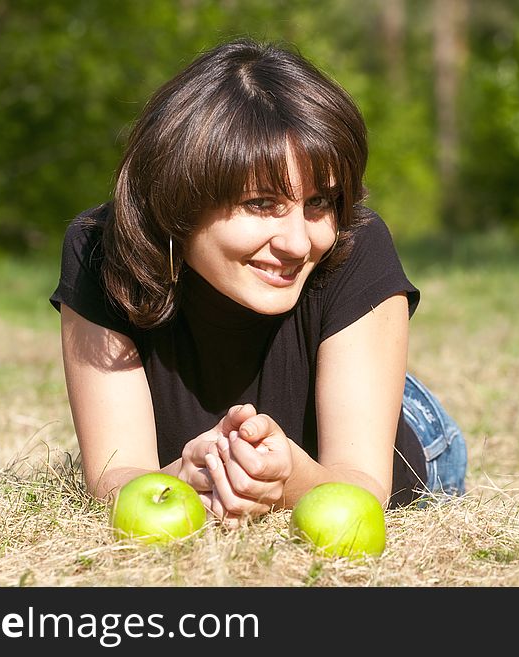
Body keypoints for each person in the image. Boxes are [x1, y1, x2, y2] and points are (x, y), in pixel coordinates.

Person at [50, 37, 466, 527]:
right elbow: (114, 474)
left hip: (399, 426)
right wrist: (186, 476)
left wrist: (288, 477)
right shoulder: (99, 250)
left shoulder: (360, 244)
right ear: (176, 197)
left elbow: (363, 484)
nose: (297, 242)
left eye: (319, 204)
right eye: (261, 204)